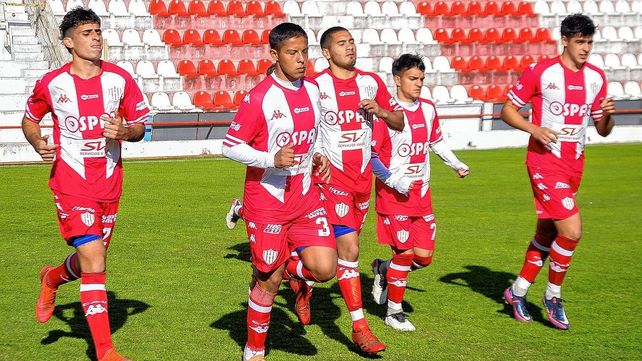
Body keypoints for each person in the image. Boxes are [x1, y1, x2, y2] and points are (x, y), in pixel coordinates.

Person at [22, 7, 149, 361]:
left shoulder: (120, 79)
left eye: (97, 32)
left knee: (91, 259)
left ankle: (52, 279)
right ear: (68, 42)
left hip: (109, 184)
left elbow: (141, 126)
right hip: (70, 182)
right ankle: (105, 351)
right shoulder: (53, 83)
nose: (95, 38)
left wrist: (126, 131)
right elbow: (30, 119)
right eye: (87, 33)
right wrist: (36, 141)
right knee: (94, 260)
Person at [221, 22, 337, 361]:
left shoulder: (313, 90)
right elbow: (229, 146)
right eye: (292, 53)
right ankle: (255, 348)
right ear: (274, 54)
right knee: (269, 283)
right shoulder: (260, 97)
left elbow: (312, 135)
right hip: (268, 201)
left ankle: (275, 264)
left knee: (325, 269)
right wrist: (269, 158)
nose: (301, 59)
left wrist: (319, 157)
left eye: (304, 52)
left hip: (304, 196)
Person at [500, 13, 615, 330]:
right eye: (580, 42)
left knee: (548, 233)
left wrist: (606, 116)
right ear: (564, 40)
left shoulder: (596, 78)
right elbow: (507, 110)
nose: (585, 48)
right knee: (572, 231)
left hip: (574, 164)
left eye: (589, 42)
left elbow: (602, 130)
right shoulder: (542, 72)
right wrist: (532, 128)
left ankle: (517, 291)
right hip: (544, 162)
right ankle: (553, 296)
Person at [369, 54, 469, 331]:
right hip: (393, 196)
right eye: (413, 79)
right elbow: (372, 155)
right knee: (404, 253)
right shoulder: (386, 113)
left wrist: (456, 164)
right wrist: (393, 181)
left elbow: (436, 141)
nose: (418, 84)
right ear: (397, 79)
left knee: (423, 257)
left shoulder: (427, 108)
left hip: (421, 195)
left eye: (422, 79)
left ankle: (382, 269)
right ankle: (394, 313)